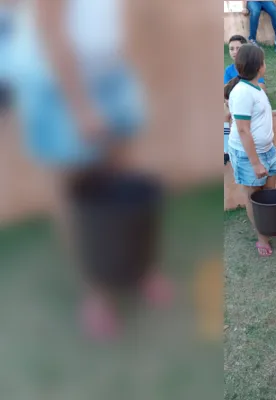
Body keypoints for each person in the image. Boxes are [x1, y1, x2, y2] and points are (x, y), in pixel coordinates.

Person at [8, 0, 172, 340]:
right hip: (56, 79)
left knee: (121, 177)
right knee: (76, 192)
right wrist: (80, 106)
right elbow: (50, 29)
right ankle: (96, 291)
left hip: (108, 72)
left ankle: (135, 268)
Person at [225, 44, 276, 256]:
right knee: (254, 198)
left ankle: (275, 228)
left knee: (269, 195)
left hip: (267, 150)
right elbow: (243, 130)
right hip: (249, 155)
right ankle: (262, 237)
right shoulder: (243, 93)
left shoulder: (255, 88)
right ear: (260, 66)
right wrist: (255, 162)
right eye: (264, 61)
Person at [225, 35, 266, 165]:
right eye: (231, 49)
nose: (235, 51)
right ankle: (225, 150)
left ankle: (227, 149)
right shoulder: (229, 70)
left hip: (246, 105)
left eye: (238, 48)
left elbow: (261, 88)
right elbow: (225, 91)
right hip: (234, 103)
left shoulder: (252, 67)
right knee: (225, 113)